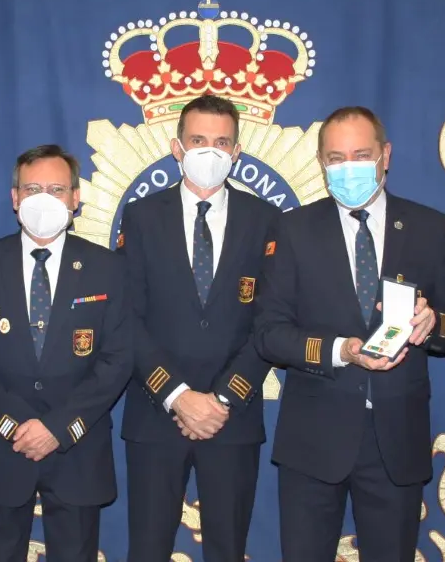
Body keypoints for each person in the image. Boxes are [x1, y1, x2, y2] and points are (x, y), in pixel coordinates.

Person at [253, 106, 445, 562]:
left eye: (361, 155)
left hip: (396, 440)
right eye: (336, 158)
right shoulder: (293, 230)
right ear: (321, 164)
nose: (349, 168)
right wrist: (341, 351)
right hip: (313, 440)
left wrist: (433, 324)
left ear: (386, 155)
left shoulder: (429, 227)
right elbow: (268, 334)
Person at [0, 144, 132, 562]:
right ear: (15, 198)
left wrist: (58, 428)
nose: (44, 199)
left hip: (76, 448)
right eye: (32, 189)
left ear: (75, 198)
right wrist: (15, 425)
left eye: (56, 189)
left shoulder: (108, 268)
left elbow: (117, 359)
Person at [117, 95, 280, 562]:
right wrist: (177, 396)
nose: (210, 151)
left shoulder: (264, 219)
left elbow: (270, 321)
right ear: (177, 147)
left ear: (237, 152)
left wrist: (222, 399)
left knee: (228, 550)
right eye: (198, 140)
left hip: (233, 418)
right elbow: (127, 319)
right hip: (156, 414)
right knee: (147, 550)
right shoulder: (142, 216)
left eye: (222, 142)